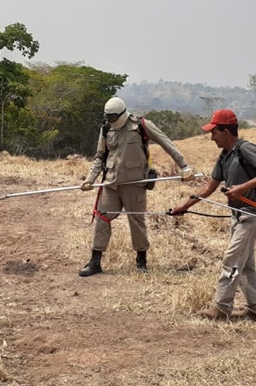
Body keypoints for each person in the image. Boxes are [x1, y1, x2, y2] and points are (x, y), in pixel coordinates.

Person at [170, 109, 256, 321]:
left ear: (226, 132)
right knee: (245, 264)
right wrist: (184, 206)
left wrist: (242, 187)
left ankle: (222, 307)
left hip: (252, 214)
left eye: (214, 132)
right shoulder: (225, 156)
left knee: (231, 259)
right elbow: (208, 187)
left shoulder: (246, 149)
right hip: (238, 215)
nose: (211, 137)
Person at [78, 96, 194, 277]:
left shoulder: (141, 125)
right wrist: (90, 179)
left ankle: (141, 262)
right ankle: (95, 261)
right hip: (111, 183)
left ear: (122, 114)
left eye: (113, 118)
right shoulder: (106, 128)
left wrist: (184, 166)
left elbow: (166, 143)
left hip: (134, 184)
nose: (111, 121)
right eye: (108, 118)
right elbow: (100, 156)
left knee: (136, 221)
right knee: (102, 218)